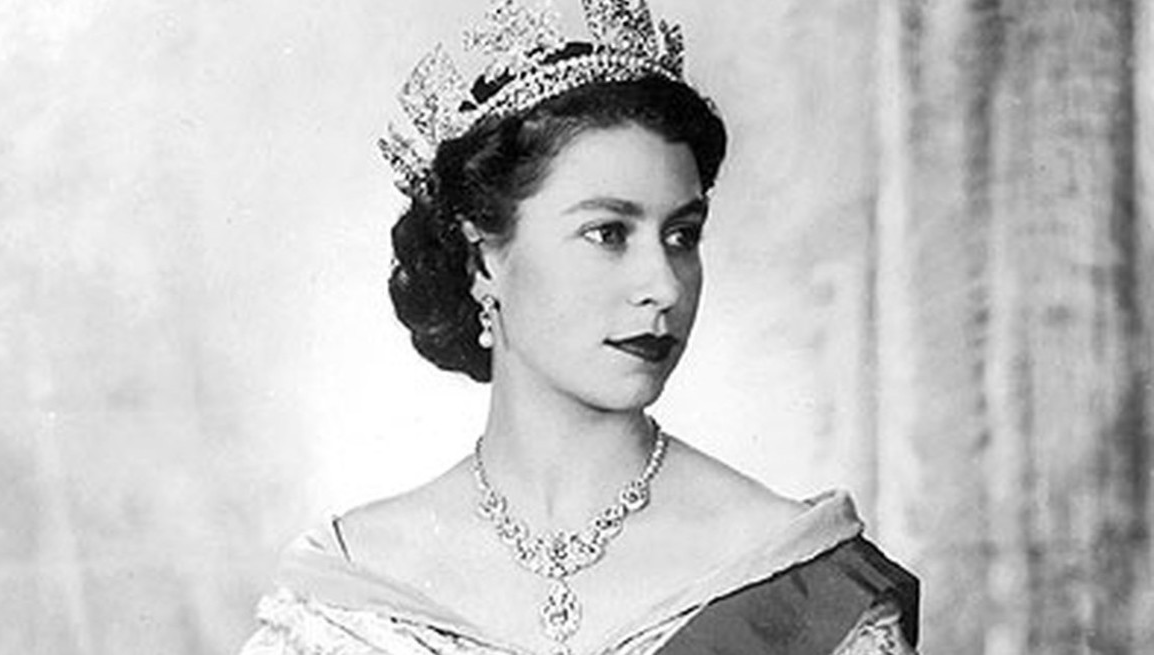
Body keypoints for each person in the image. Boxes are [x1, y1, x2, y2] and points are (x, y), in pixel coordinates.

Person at [239, 1, 920, 653]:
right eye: (608, 233)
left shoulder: (798, 577)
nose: (664, 285)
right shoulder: (349, 596)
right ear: (483, 260)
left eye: (682, 235)